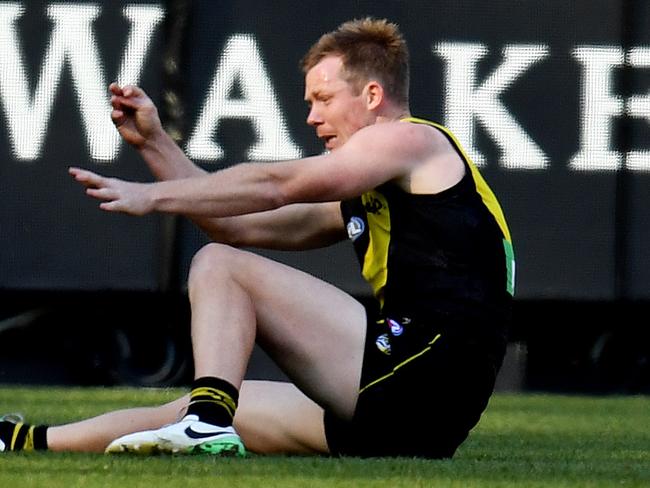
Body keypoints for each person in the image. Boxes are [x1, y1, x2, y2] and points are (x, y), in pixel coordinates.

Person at [0, 17, 514, 459]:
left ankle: (206, 425)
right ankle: (22, 439)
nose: (312, 116)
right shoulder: (374, 189)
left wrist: (151, 198)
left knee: (220, 266)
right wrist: (155, 145)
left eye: (324, 98)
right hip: (413, 409)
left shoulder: (410, 138)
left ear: (373, 95)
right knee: (196, 401)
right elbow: (237, 224)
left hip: (421, 373)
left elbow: (275, 187)